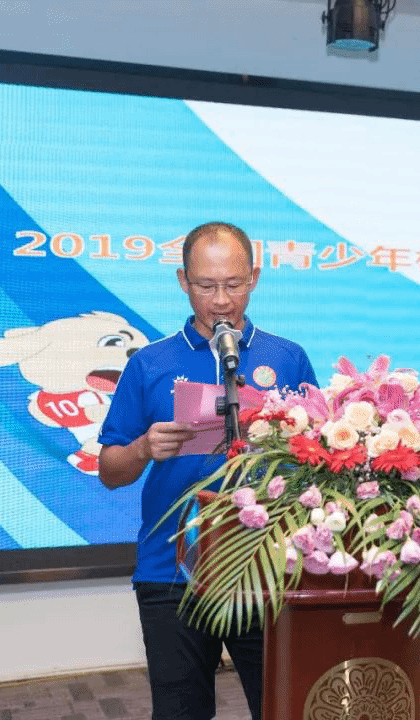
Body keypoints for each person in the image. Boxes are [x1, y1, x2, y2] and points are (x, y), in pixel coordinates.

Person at [98, 221, 317, 720]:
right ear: (183, 281)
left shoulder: (288, 358)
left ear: (254, 278)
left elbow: (316, 462)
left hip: (265, 568)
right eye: (206, 285)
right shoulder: (150, 363)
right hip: (171, 570)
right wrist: (142, 448)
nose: (220, 301)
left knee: (283, 707)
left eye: (233, 284)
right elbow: (110, 471)